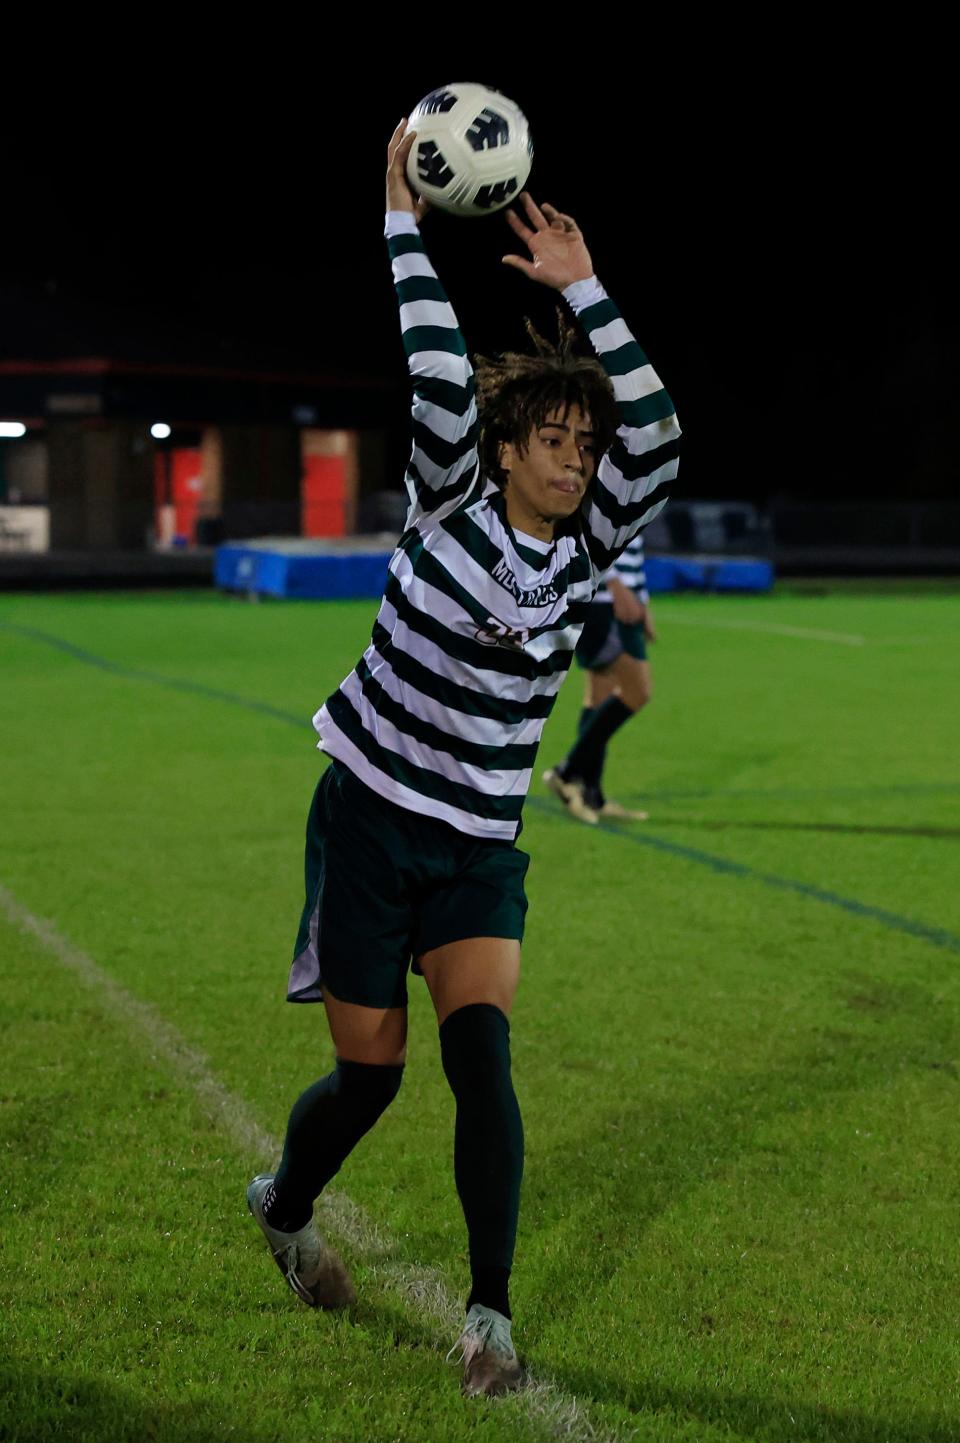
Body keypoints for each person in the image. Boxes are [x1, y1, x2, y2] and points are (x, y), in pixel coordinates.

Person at [246, 119, 680, 1398]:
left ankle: (490, 1315)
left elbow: (656, 433)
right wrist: (402, 227)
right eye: (553, 441)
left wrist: (588, 291)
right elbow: (437, 366)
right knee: (368, 1078)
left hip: (479, 844)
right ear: (504, 451)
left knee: (480, 1053)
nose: (576, 458)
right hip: (371, 819)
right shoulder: (446, 497)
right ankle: (285, 1204)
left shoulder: (585, 547)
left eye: (583, 448)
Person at [543, 531, 656, 824]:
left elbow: (632, 547)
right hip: (604, 601)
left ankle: (592, 795)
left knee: (600, 696)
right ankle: (566, 773)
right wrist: (616, 584)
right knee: (638, 692)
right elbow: (591, 531)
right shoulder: (607, 484)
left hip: (618, 601)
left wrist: (643, 602)